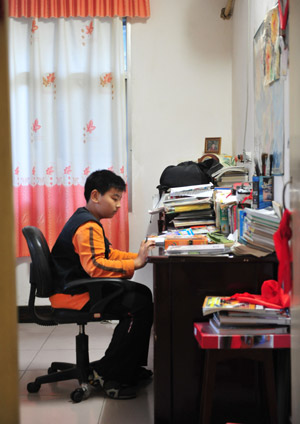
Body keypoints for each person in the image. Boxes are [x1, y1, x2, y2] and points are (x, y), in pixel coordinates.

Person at [50, 169, 155, 399]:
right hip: (74, 293)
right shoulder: (87, 226)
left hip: (80, 287)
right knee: (137, 305)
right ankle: (109, 375)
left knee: (143, 294)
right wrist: (135, 264)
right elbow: (95, 266)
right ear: (96, 196)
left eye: (120, 200)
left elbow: (107, 254)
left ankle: (127, 368)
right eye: (114, 198)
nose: (118, 205)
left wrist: (136, 258)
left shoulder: (88, 219)